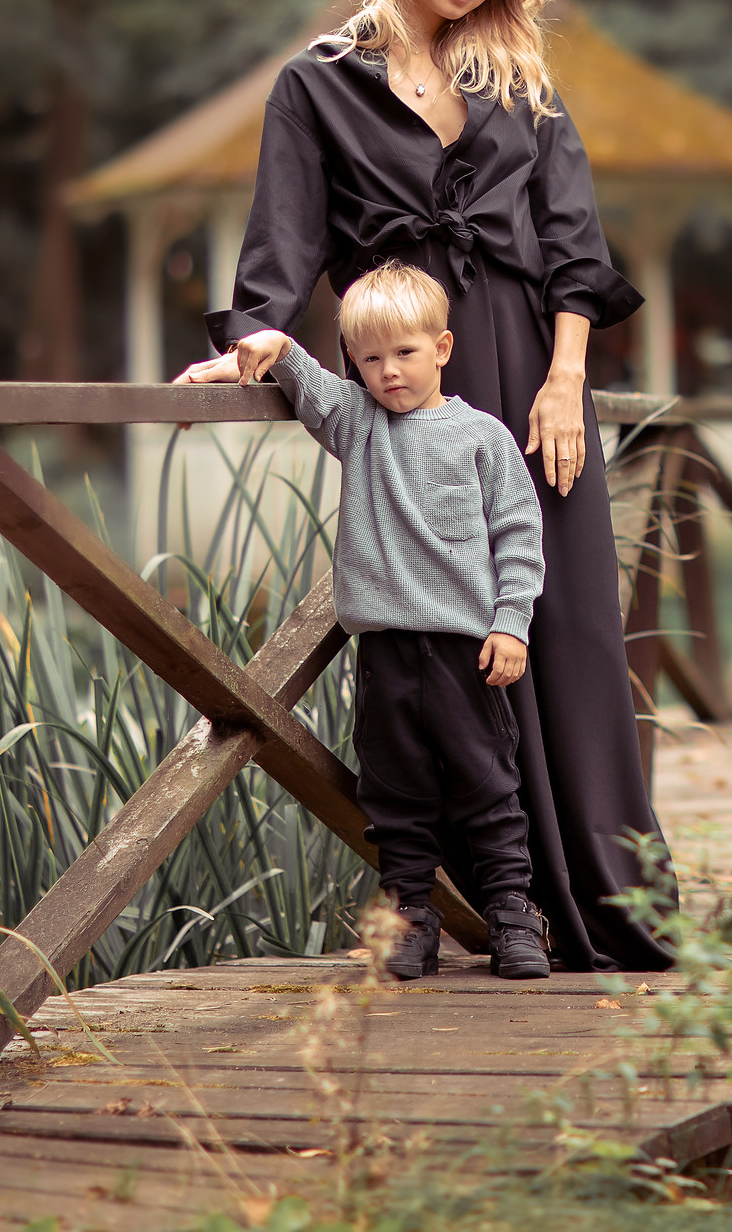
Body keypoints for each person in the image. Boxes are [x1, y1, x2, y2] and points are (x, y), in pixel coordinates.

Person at [175, 0, 674, 972]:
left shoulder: (523, 83)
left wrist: (565, 380)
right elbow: (286, 239)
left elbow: (574, 247)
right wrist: (251, 339)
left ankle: (600, 901)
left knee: (569, 629)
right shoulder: (316, 84)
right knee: (441, 649)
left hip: (535, 383)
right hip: (417, 395)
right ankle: (481, 907)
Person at [233, 262, 551, 981]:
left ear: (441, 347)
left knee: (487, 785)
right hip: (384, 654)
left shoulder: (482, 437)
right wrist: (275, 346)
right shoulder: (358, 423)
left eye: (404, 353)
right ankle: (411, 918)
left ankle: (511, 912)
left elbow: (519, 535)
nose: (388, 372)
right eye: (369, 359)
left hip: (468, 651)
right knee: (397, 792)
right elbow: (309, 382)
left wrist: (511, 622)